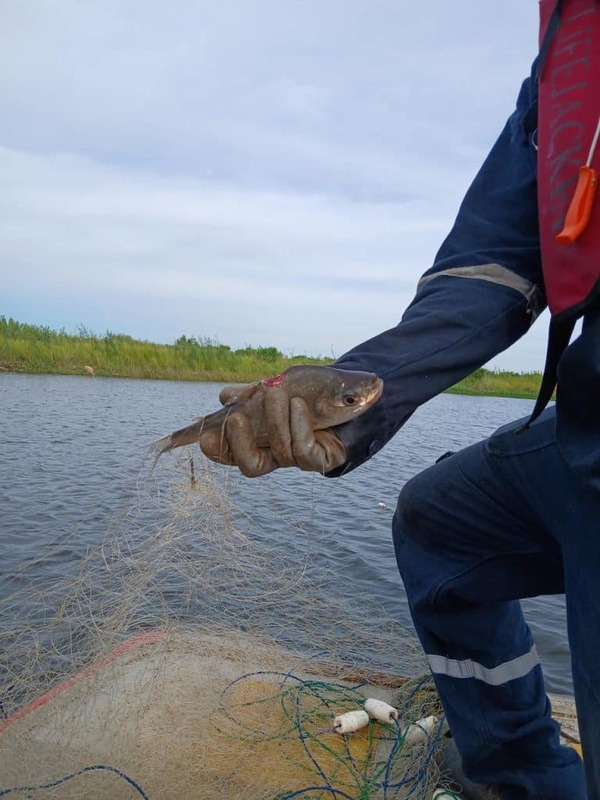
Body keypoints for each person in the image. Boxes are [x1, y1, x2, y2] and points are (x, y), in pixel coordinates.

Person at [198, 2, 600, 797]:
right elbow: (489, 263)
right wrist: (347, 407)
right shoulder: (566, 52)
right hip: (587, 434)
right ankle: (520, 774)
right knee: (435, 524)